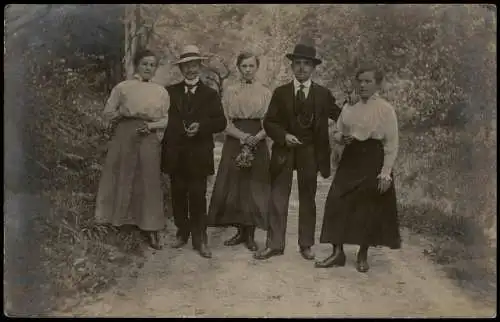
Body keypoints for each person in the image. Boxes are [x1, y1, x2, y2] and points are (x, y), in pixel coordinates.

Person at [253, 43, 342, 261]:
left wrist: (355, 118)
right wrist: (283, 136)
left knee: (308, 199)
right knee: (278, 198)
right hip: (284, 151)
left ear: (313, 68)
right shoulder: (281, 93)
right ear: (292, 66)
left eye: (307, 64)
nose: (302, 68)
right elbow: (269, 122)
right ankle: (274, 244)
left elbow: (341, 116)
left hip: (310, 152)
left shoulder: (323, 94)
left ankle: (306, 244)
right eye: (298, 64)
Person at [315, 64, 402, 273]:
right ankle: (337, 252)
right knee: (336, 201)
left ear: (377, 84)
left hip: (373, 158)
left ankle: (362, 254)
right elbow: (337, 131)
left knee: (367, 207)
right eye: (360, 81)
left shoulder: (385, 109)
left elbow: (392, 144)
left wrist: (385, 173)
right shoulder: (349, 107)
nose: (362, 85)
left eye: (368, 81)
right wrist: (340, 138)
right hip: (351, 157)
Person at [95, 49, 170, 250]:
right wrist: (122, 112)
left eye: (152, 65)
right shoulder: (123, 88)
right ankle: (118, 222)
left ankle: (151, 228)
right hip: (125, 132)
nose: (148, 68)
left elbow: (165, 118)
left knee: (149, 179)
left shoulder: (161, 91)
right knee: (122, 174)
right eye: (145, 63)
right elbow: (107, 113)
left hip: (148, 135)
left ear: (155, 69)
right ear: (137, 65)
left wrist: (152, 127)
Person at [161, 45, 227, 259]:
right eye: (187, 66)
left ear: (200, 67)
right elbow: (163, 119)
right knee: (178, 194)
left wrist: (201, 126)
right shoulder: (169, 92)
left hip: (199, 153)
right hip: (176, 153)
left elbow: (220, 122)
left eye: (194, 65)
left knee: (198, 195)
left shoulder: (210, 94)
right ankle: (182, 231)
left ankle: (200, 237)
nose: (191, 69)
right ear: (181, 69)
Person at [207, 52, 272, 252]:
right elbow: (223, 121)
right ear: (238, 68)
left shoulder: (265, 92)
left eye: (251, 66)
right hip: (235, 139)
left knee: (253, 187)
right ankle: (239, 231)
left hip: (257, 140)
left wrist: (257, 137)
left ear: (257, 68)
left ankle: (251, 234)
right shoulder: (230, 90)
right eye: (244, 66)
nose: (248, 70)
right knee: (235, 185)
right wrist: (242, 137)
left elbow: (271, 121)